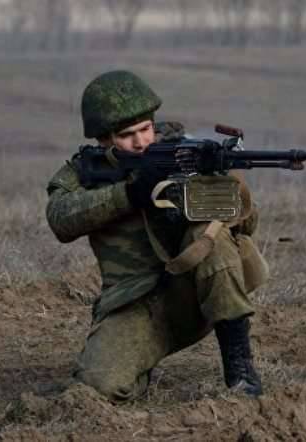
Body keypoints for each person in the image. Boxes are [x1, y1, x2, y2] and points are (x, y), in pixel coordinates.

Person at [45, 70, 267, 402]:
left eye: (146, 129)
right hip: (135, 304)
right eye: (126, 135)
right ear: (103, 139)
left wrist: (212, 184)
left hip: (198, 292)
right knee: (99, 386)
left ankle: (240, 370)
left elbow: (248, 227)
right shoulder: (83, 173)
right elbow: (61, 219)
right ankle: (139, 362)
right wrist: (131, 193)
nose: (140, 142)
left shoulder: (184, 153)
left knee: (212, 241)